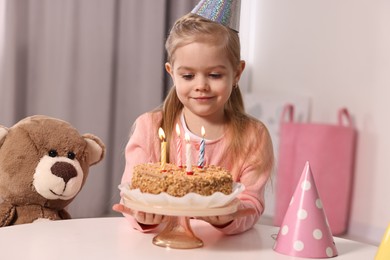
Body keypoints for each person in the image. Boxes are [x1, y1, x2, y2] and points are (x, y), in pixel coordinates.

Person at [113, 0, 274, 235]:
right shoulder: (150, 128)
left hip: (221, 250)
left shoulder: (253, 136)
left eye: (215, 75)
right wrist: (143, 215)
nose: (201, 86)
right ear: (172, 73)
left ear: (237, 73)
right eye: (188, 75)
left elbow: (252, 203)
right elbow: (132, 194)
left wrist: (228, 216)